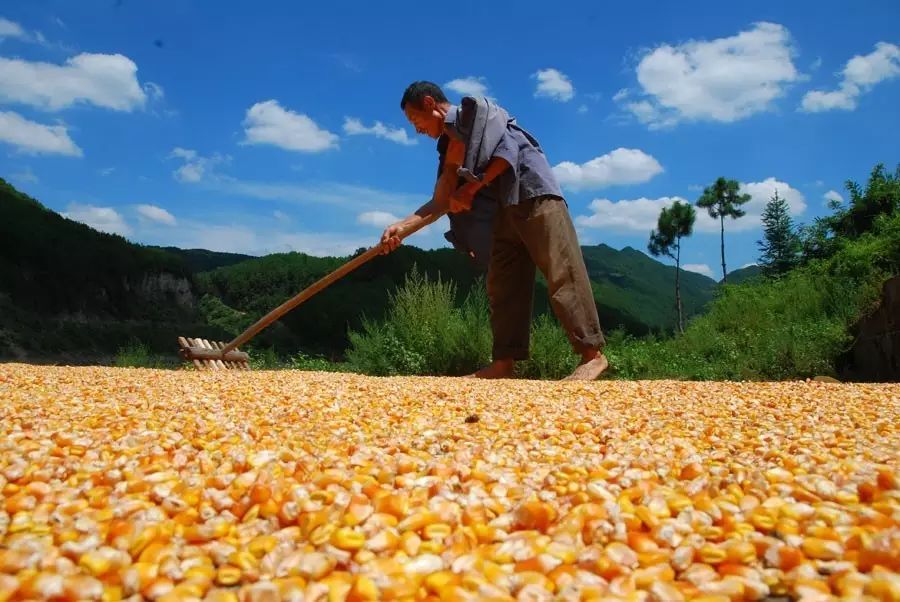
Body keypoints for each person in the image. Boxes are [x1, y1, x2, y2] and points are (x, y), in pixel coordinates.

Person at [381, 81, 608, 380]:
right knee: (503, 284)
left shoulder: (477, 115)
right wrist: (402, 228)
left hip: (533, 193)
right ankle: (503, 363)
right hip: (501, 211)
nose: (417, 130)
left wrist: (471, 188)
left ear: (429, 104)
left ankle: (592, 356)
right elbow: (442, 201)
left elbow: (507, 152)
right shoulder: (449, 147)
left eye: (415, 120)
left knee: (561, 269)